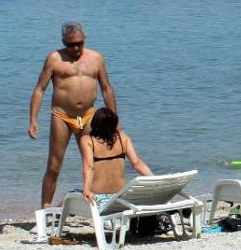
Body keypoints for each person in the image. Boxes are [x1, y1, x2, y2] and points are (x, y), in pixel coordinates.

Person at [28, 21, 118, 210]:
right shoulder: (54, 58)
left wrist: (114, 121)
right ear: (63, 42)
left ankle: (95, 206)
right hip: (62, 116)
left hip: (88, 116)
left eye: (79, 43)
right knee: (54, 165)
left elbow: (106, 89)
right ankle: (46, 208)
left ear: (84, 39)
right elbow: (39, 89)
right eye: (70, 44)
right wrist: (33, 120)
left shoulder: (96, 58)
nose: (75, 48)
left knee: (96, 163)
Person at [79, 107, 153, 206]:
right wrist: (155, 180)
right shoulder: (123, 138)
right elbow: (137, 164)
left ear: (95, 123)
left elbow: (89, 167)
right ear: (114, 123)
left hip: (97, 199)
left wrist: (86, 189)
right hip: (120, 198)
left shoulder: (87, 140)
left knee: (67, 197)